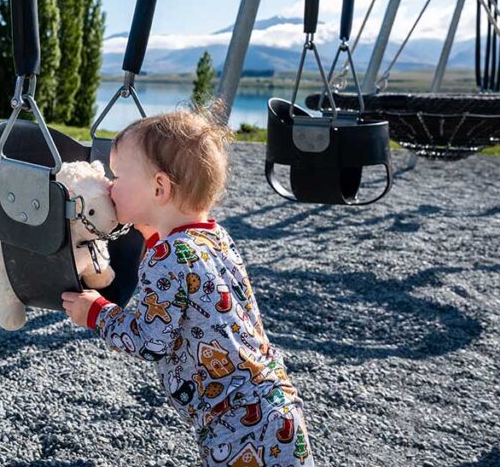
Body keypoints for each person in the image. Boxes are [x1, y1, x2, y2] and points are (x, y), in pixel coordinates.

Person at [62, 108, 315, 466]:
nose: (110, 187)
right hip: (272, 405)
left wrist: (97, 314)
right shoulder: (213, 237)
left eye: (118, 177)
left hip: (238, 425)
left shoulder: (167, 255)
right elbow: (191, 292)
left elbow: (149, 340)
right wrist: (151, 234)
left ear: (160, 188)